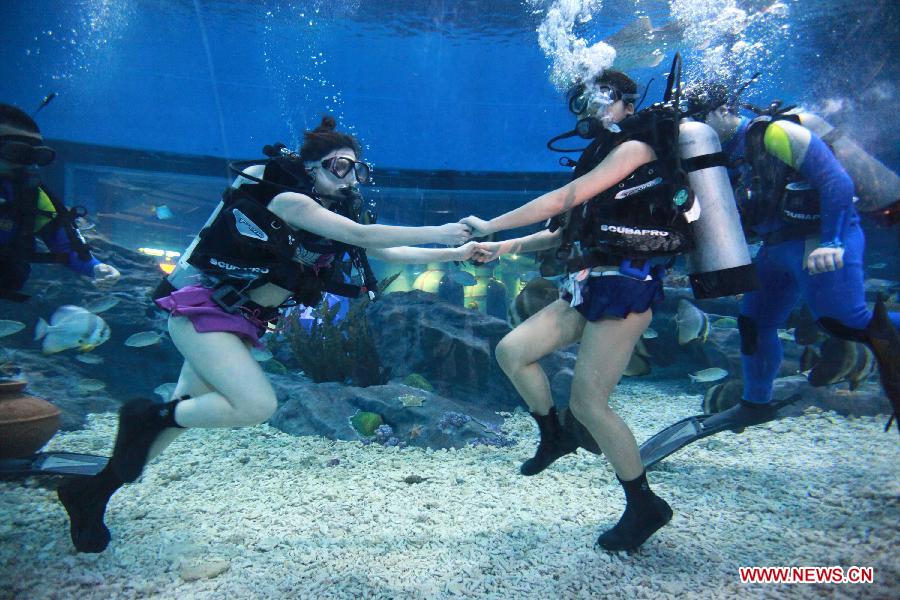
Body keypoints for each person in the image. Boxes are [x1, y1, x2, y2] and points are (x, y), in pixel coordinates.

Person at [56, 115, 474, 553]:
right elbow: (362, 233)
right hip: (205, 311)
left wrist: (456, 252)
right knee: (254, 404)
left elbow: (382, 249)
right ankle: (146, 417)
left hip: (241, 322)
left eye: (356, 169)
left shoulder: (329, 213)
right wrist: (444, 229)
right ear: (311, 167)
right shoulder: (290, 201)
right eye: (339, 167)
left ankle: (89, 493)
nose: (350, 179)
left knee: (169, 427)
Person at [464, 69, 693, 552]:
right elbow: (561, 228)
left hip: (627, 289)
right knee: (512, 351)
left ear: (628, 104)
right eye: (583, 102)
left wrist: (490, 225)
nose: (591, 110)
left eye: (603, 100)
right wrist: (503, 247)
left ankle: (643, 504)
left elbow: (562, 198)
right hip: (589, 286)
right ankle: (553, 434)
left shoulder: (636, 149)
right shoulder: (603, 155)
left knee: (589, 403)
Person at [680, 83, 899, 433]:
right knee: (753, 323)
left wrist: (833, 241)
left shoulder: (775, 133)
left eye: (697, 118)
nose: (693, 128)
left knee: (848, 322)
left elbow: (836, 182)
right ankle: (755, 403)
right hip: (774, 248)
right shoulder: (719, 157)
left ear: (723, 111)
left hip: (817, 240)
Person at [0, 103, 119, 301]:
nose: (27, 164)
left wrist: (95, 267)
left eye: (36, 156)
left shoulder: (30, 195)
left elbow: (62, 240)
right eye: (16, 153)